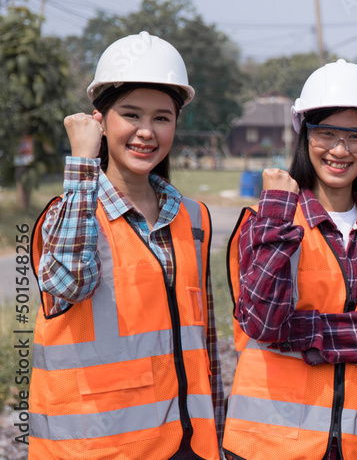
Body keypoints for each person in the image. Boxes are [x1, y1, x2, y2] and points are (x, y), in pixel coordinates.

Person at [222, 59, 357, 460]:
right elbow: (264, 323)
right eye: (327, 133)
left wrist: (307, 334)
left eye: (356, 135)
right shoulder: (266, 223)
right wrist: (278, 214)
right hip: (272, 447)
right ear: (305, 136)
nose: (340, 149)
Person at [29, 31, 223, 459]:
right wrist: (82, 164)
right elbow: (67, 282)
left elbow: (203, 343)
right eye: (130, 114)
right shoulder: (72, 212)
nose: (145, 132)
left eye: (161, 118)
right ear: (99, 120)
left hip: (187, 443)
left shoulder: (193, 218)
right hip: (96, 447)